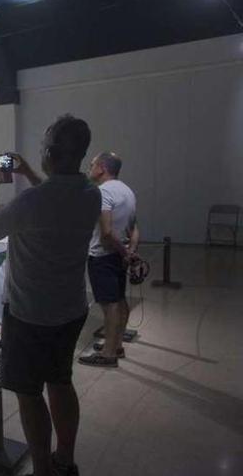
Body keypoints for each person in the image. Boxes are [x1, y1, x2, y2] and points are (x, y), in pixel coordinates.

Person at [0, 115, 101, 476]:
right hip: (71, 309)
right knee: (60, 382)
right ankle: (65, 459)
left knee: (29, 393)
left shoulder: (31, 202)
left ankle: (43, 470)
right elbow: (54, 194)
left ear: (49, 151)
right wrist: (31, 171)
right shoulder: (90, 193)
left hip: (28, 313)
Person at [79, 152, 139, 368]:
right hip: (118, 256)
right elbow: (134, 229)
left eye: (92, 164)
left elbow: (105, 233)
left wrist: (125, 252)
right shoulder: (127, 191)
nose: (89, 167)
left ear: (102, 167)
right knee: (119, 300)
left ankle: (108, 353)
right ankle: (116, 344)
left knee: (109, 305)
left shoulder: (102, 193)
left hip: (103, 256)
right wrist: (129, 251)